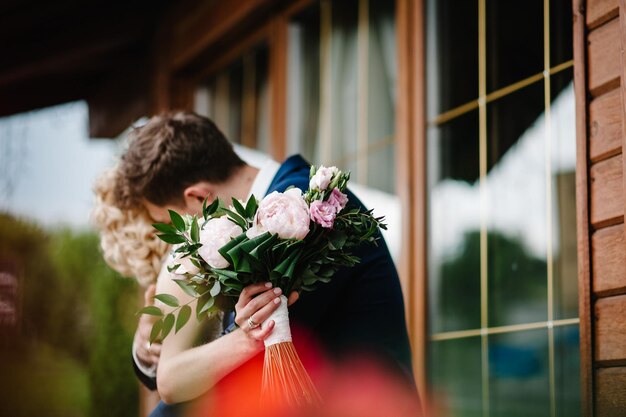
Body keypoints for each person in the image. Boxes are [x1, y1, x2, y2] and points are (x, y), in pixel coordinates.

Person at [111, 111, 415, 415]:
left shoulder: (302, 212)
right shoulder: (264, 217)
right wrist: (149, 347)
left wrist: (178, 364)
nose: (179, 245)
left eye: (173, 223)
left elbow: (236, 364)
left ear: (199, 198)